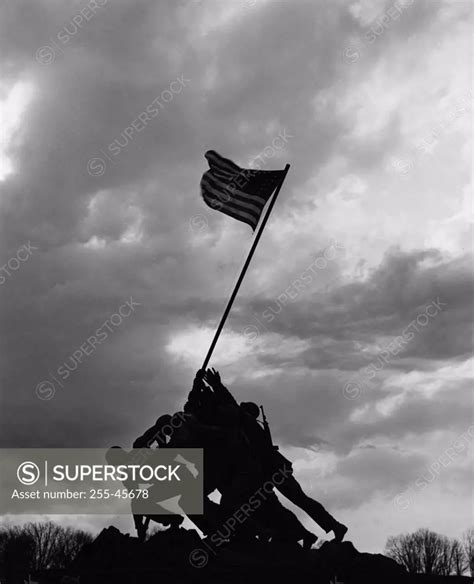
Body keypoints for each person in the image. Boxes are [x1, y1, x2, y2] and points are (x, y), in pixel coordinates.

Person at [202, 369, 348, 543]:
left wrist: (217, 386)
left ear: (248, 412)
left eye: (243, 408)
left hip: (273, 470)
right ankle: (311, 531)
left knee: (296, 500)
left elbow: (231, 404)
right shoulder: (247, 426)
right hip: (269, 471)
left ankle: (329, 527)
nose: (238, 409)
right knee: (286, 503)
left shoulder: (248, 423)